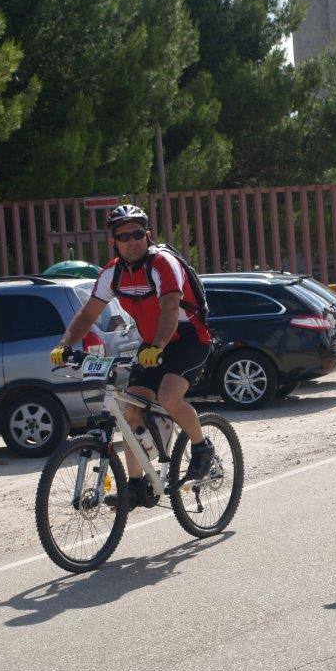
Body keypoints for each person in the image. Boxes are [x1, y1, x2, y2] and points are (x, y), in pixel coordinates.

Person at [49, 204, 215, 510]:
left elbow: (169, 308)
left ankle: (202, 446)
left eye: (138, 233)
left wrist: (158, 345)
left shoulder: (163, 263)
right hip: (152, 344)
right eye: (124, 236)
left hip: (188, 339)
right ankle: (137, 485)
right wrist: (65, 345)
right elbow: (88, 314)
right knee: (131, 410)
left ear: (148, 235)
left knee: (168, 397)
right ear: (114, 241)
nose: (132, 240)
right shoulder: (111, 273)